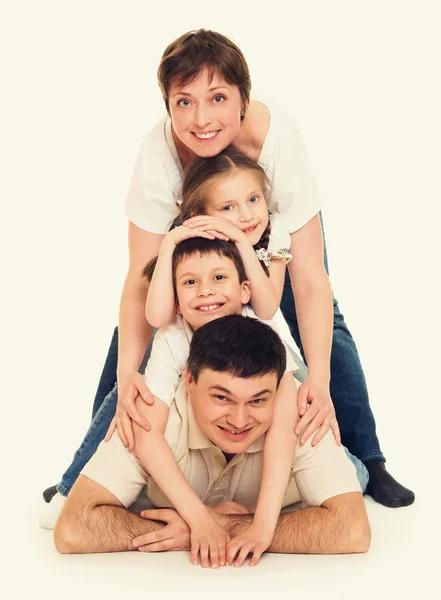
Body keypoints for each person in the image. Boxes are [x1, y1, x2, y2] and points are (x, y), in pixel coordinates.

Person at [43, 29, 413, 509]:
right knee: (142, 339)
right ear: (168, 105)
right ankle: (97, 463)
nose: (201, 119)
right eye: (184, 102)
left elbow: (309, 281)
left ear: (243, 99)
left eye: (218, 98)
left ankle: (367, 457)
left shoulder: (278, 143)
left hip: (266, 248)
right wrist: (126, 371)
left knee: (314, 317)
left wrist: (316, 377)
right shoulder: (159, 157)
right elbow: (141, 283)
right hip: (199, 244)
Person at [54, 314, 371, 564]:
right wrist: (192, 528)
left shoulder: (296, 409)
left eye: (258, 400)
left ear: (278, 391)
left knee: (358, 474)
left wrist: (222, 526)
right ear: (189, 381)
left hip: (332, 458)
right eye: (222, 397)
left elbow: (352, 530)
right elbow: (73, 528)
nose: (239, 420)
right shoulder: (152, 413)